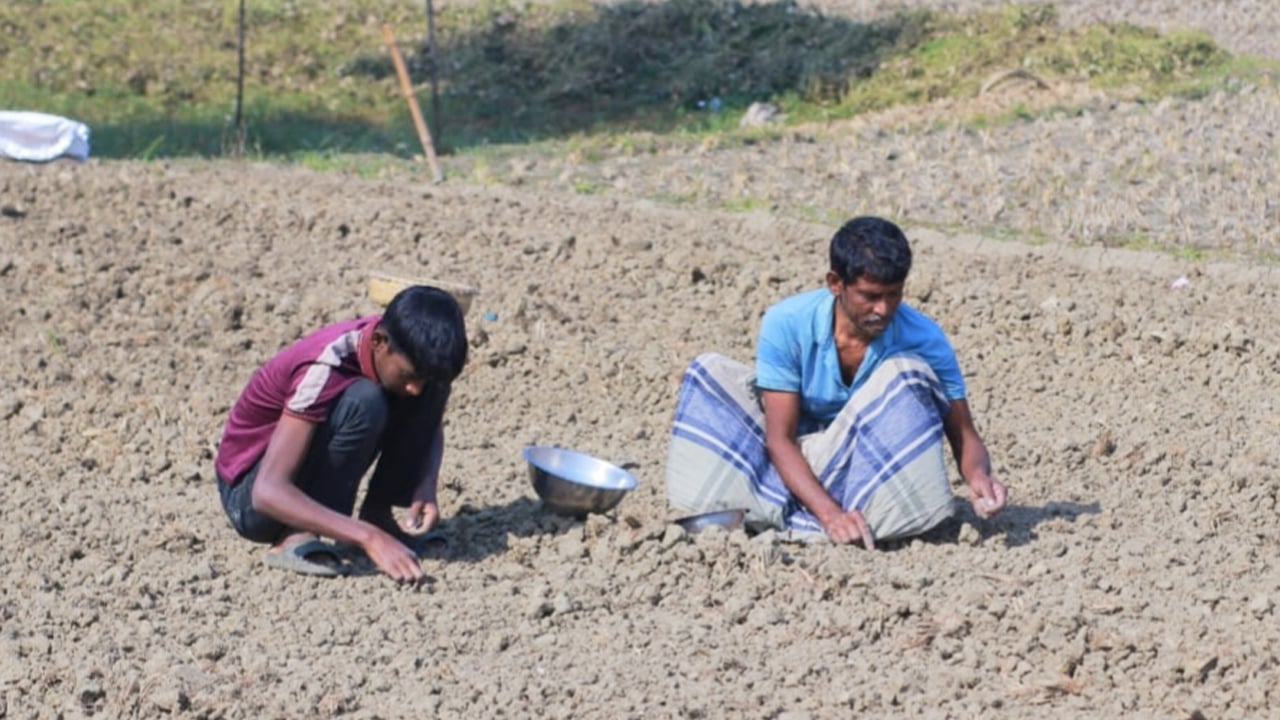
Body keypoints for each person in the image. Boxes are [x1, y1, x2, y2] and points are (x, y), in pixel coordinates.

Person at [666, 216, 1006, 547]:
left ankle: (807, 516)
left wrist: (978, 477)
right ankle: (810, 514)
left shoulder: (924, 338)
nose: (884, 309)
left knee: (909, 372)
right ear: (835, 283)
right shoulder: (787, 323)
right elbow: (779, 439)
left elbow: (964, 434)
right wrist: (830, 515)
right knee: (707, 373)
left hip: (863, 469)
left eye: (894, 294)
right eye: (870, 296)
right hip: (788, 458)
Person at [214, 285, 468, 581]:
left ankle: (379, 516)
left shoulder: (399, 351)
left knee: (432, 387)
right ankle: (296, 535)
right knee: (364, 401)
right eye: (408, 375)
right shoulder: (326, 364)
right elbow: (267, 491)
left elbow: (428, 419)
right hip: (251, 495)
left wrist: (425, 483)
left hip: (283, 485)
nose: (414, 388)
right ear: (379, 342)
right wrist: (368, 537)